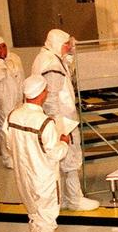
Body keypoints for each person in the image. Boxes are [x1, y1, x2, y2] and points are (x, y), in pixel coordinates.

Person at [30, 28, 98, 211]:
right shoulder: (52, 64)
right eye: (66, 44)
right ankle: (75, 199)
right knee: (70, 158)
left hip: (54, 118)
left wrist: (68, 54)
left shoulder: (46, 57)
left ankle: (64, 198)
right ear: (57, 44)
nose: (69, 46)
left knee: (59, 161)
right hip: (62, 119)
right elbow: (51, 97)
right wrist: (59, 125)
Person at [6, 75, 70, 232]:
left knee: (34, 213)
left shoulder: (12, 116)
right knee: (47, 217)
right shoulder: (44, 122)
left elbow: (9, 145)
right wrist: (64, 141)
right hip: (43, 178)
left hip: (23, 176)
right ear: (42, 93)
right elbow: (56, 153)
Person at [0, 35, 24, 169]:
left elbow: (21, 76)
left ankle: (19, 156)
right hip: (3, 101)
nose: (2, 50)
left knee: (17, 127)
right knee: (5, 130)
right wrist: (1, 61)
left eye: (4, 46)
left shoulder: (14, 58)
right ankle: (8, 158)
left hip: (17, 99)